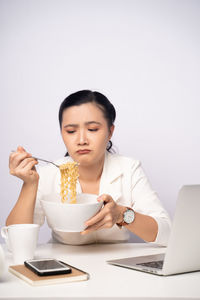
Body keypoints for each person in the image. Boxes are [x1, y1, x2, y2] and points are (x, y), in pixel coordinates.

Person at [7, 90, 171, 246]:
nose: (81, 140)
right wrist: (29, 184)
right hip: (64, 265)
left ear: (110, 132)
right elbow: (14, 243)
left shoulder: (129, 169)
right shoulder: (48, 174)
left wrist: (122, 215)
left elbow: (167, 234)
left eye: (92, 129)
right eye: (71, 131)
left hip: (117, 268)